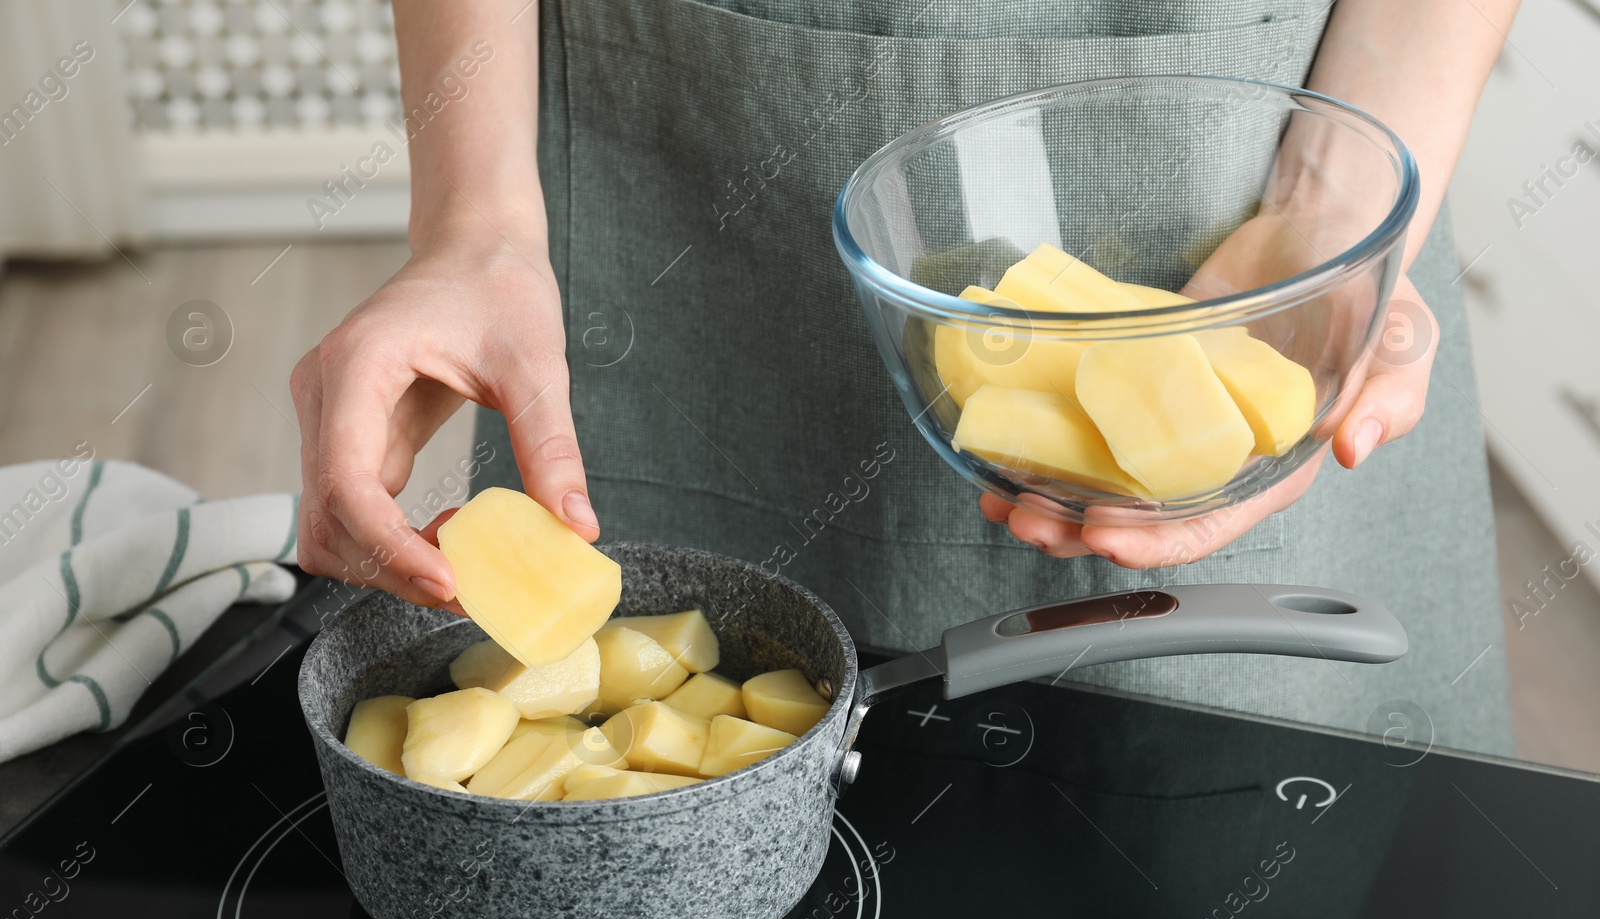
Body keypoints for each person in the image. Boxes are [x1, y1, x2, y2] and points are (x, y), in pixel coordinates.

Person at [290, 0, 1519, 755]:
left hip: (1275, 193)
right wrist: (473, 226)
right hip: (679, 185)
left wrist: (1336, 207)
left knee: (1243, 883)